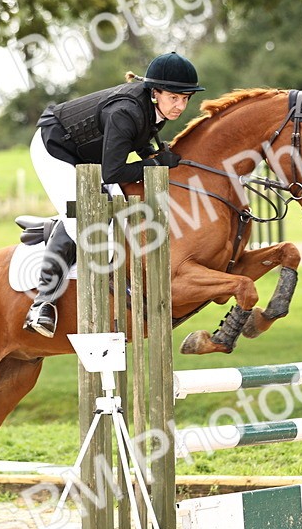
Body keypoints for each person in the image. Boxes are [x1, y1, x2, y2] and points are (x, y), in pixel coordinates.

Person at [23, 52, 205, 337]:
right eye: (174, 98)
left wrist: (152, 154)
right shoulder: (126, 111)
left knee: (120, 206)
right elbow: (113, 173)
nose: (180, 106)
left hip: (87, 153)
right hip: (54, 149)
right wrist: (155, 163)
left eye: (185, 98)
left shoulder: (155, 109)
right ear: (155, 93)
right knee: (86, 218)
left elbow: (136, 139)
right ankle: (42, 304)